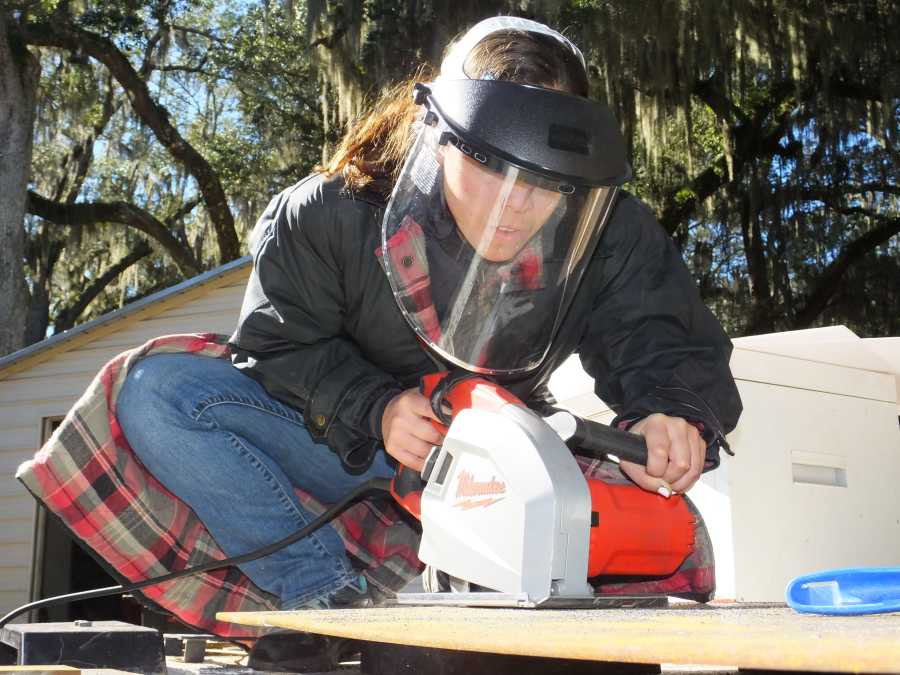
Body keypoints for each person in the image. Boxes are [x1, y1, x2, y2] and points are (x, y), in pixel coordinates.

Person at [116, 16, 742, 617]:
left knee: (655, 526)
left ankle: (491, 586)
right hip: (351, 447)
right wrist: (374, 408)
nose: (514, 205)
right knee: (156, 393)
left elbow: (661, 338)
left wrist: (670, 412)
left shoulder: (610, 228)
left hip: (497, 461)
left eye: (547, 180)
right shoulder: (326, 211)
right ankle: (323, 593)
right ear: (439, 135)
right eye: (489, 164)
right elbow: (279, 346)